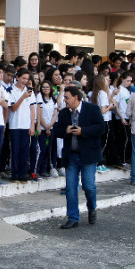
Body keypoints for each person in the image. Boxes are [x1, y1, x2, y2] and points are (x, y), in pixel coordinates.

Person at [54, 85, 105, 229]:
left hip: (88, 155)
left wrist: (84, 131)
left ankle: (92, 208)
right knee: (70, 187)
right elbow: (56, 130)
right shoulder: (64, 113)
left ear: (76, 98)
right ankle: (73, 217)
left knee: (89, 186)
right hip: (71, 156)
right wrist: (66, 129)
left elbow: (101, 128)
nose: (65, 100)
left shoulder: (92, 109)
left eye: (67, 97)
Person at [35, 80, 58, 178]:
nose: (46, 89)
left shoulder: (53, 100)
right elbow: (39, 113)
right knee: (42, 149)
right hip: (42, 128)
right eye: (43, 87)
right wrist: (46, 126)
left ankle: (44, 169)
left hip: (50, 128)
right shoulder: (39, 98)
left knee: (48, 149)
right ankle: (37, 169)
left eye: (47, 87)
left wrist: (50, 126)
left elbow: (55, 113)